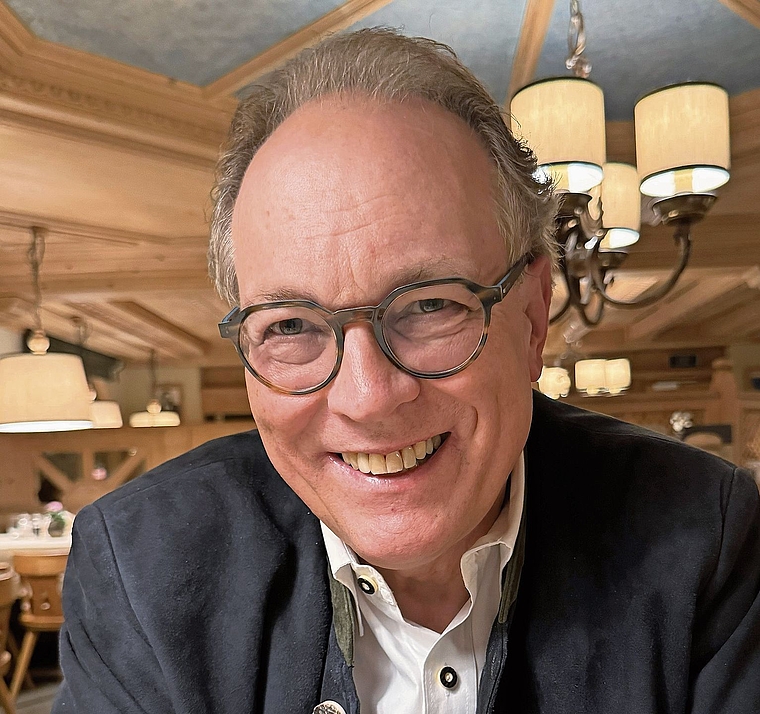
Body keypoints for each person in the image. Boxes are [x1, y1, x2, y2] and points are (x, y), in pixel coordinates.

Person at [53, 29, 759, 714]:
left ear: (533, 316)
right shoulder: (138, 567)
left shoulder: (706, 536)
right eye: (290, 326)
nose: (368, 397)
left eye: (429, 305)